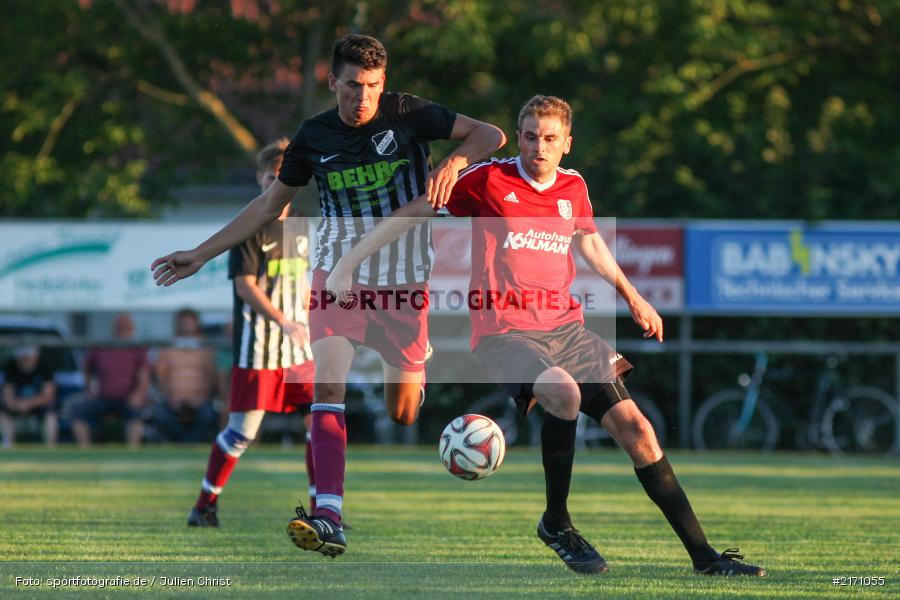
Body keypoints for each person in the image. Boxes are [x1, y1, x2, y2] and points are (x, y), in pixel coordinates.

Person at [327, 95, 765, 576]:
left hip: (568, 330)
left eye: (550, 138)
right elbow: (413, 211)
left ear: (567, 144)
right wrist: (349, 262)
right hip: (504, 333)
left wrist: (633, 297)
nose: (539, 147)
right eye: (531, 136)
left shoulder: (574, 188)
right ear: (519, 138)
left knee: (639, 431)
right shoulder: (488, 180)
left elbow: (589, 240)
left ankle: (705, 558)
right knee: (563, 394)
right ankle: (557, 522)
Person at [150, 33, 505, 556]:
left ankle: (412, 360)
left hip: (405, 281)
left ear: (384, 84)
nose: (364, 97)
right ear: (332, 80)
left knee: (404, 412)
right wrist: (201, 253)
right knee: (328, 387)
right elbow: (270, 205)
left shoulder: (408, 113)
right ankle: (329, 515)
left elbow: (491, 135)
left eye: (373, 86)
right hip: (336, 274)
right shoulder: (313, 136)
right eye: (354, 85)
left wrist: (453, 163)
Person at [187, 138, 318, 528]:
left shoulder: (302, 228)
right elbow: (245, 285)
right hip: (259, 347)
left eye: (283, 176)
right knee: (242, 432)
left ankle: (324, 510)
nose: (276, 183)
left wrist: (312, 320)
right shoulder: (249, 228)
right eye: (269, 176)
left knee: (322, 422)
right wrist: (283, 320)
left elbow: (307, 283)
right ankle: (204, 505)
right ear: (260, 180)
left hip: (300, 350)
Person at [72, 312, 150, 447]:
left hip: (127, 398)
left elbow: (144, 376)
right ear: (114, 326)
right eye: (120, 325)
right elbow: (86, 368)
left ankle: (132, 451)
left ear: (132, 327)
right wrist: (89, 388)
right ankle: (85, 450)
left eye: (126, 325)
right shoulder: (101, 346)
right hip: (103, 397)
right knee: (77, 412)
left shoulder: (138, 349)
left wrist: (138, 395)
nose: (123, 328)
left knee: (138, 414)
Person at [153, 309, 219, 443]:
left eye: (189, 323)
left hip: (200, 399)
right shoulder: (167, 346)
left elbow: (210, 376)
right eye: (182, 323)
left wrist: (201, 397)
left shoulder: (205, 347)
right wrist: (169, 397)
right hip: (172, 399)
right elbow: (160, 376)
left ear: (196, 324)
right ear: (176, 324)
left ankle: (191, 446)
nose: (186, 326)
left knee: (207, 415)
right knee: (160, 415)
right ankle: (179, 445)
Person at [1, 346, 57, 447]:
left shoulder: (44, 365)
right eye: (23, 358)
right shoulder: (11, 366)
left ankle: (50, 448)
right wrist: (17, 404)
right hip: (17, 404)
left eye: (28, 358)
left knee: (50, 415)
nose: (25, 361)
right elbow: (7, 394)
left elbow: (48, 395)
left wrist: (29, 404)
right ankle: (8, 446)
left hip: (38, 404)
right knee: (3, 414)